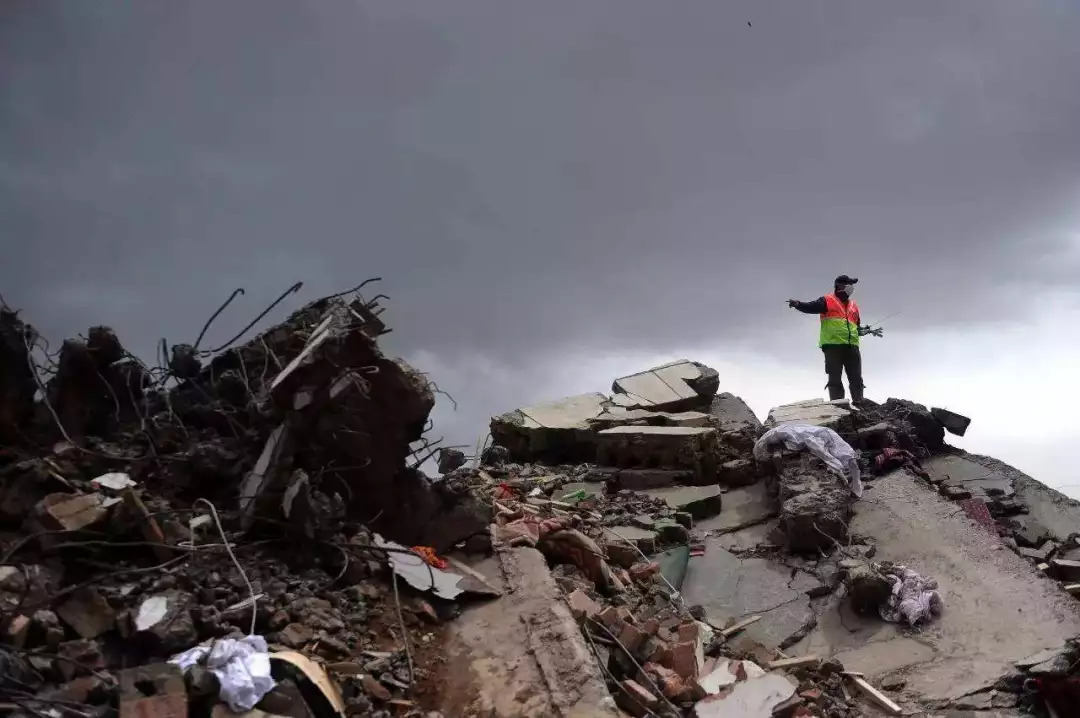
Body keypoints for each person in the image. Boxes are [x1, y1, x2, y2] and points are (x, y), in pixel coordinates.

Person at [787, 275, 881, 402]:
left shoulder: (854, 306)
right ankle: (838, 406)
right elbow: (810, 307)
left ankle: (859, 404)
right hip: (833, 347)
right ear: (840, 286)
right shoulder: (827, 300)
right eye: (849, 285)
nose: (851, 288)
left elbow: (855, 327)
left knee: (856, 379)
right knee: (834, 379)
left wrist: (866, 330)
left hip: (852, 347)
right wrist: (798, 304)